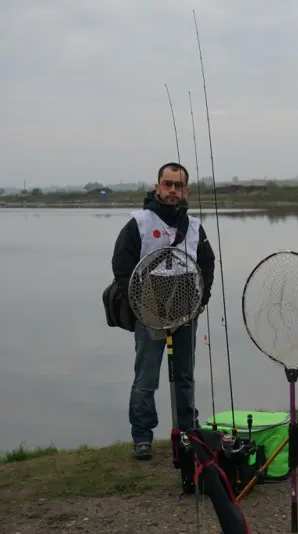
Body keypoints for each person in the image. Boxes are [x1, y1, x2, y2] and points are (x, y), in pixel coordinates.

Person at [111, 162, 216, 461]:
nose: (172, 190)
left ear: (186, 191)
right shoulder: (138, 223)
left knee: (184, 375)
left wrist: (201, 299)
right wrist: (137, 303)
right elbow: (121, 266)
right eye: (167, 184)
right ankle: (142, 437)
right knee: (146, 376)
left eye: (178, 185)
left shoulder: (195, 227)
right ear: (157, 187)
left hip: (187, 307)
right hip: (149, 307)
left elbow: (207, 264)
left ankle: (187, 431)